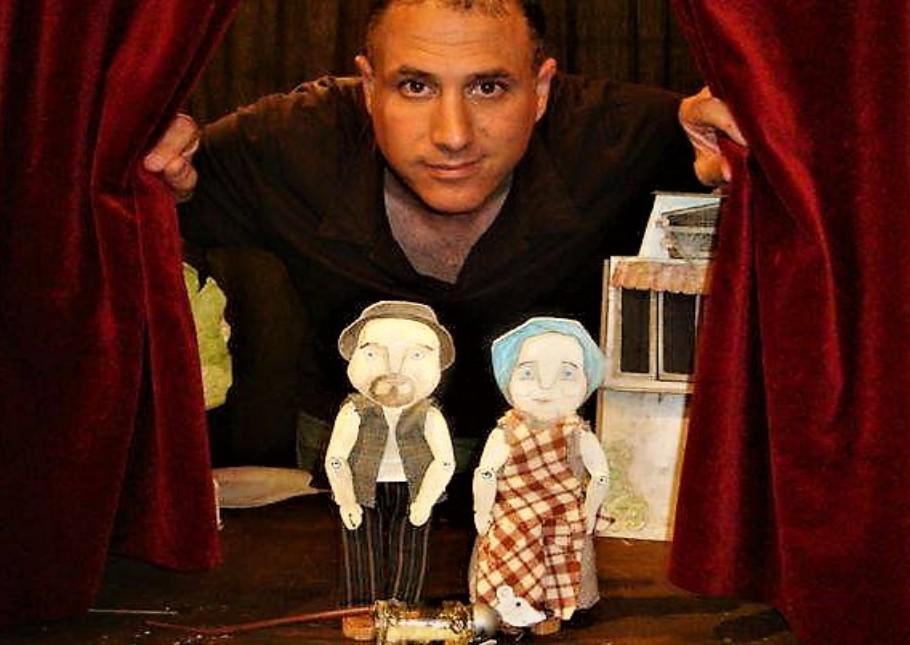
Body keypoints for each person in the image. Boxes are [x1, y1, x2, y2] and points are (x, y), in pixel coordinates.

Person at [144, 0, 744, 481]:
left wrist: (729, 143)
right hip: (349, 453)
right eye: (415, 86)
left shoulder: (620, 136)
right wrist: (149, 155)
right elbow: (146, 192)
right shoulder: (289, 142)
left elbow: (750, 168)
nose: (453, 135)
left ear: (540, 91)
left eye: (488, 88)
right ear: (368, 86)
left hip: (553, 461)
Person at [470, 317, 609, 634]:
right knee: (508, 554)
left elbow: (600, 475)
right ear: (508, 379)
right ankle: (504, 610)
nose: (546, 387)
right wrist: (482, 510)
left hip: (560, 517)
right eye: (528, 373)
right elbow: (486, 471)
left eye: (567, 374)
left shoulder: (578, 433)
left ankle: (549, 609)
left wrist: (589, 512)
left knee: (559, 561)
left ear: (586, 381)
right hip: (513, 514)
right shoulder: (506, 431)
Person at [325, 300, 456, 638]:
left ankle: (403, 607)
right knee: (360, 545)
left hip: (414, 487)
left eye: (416, 355)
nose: (394, 369)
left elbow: (445, 461)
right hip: (362, 486)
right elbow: (336, 458)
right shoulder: (353, 411)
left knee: (410, 546)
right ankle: (361, 607)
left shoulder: (429, 415)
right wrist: (346, 499)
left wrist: (425, 499)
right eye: (374, 354)